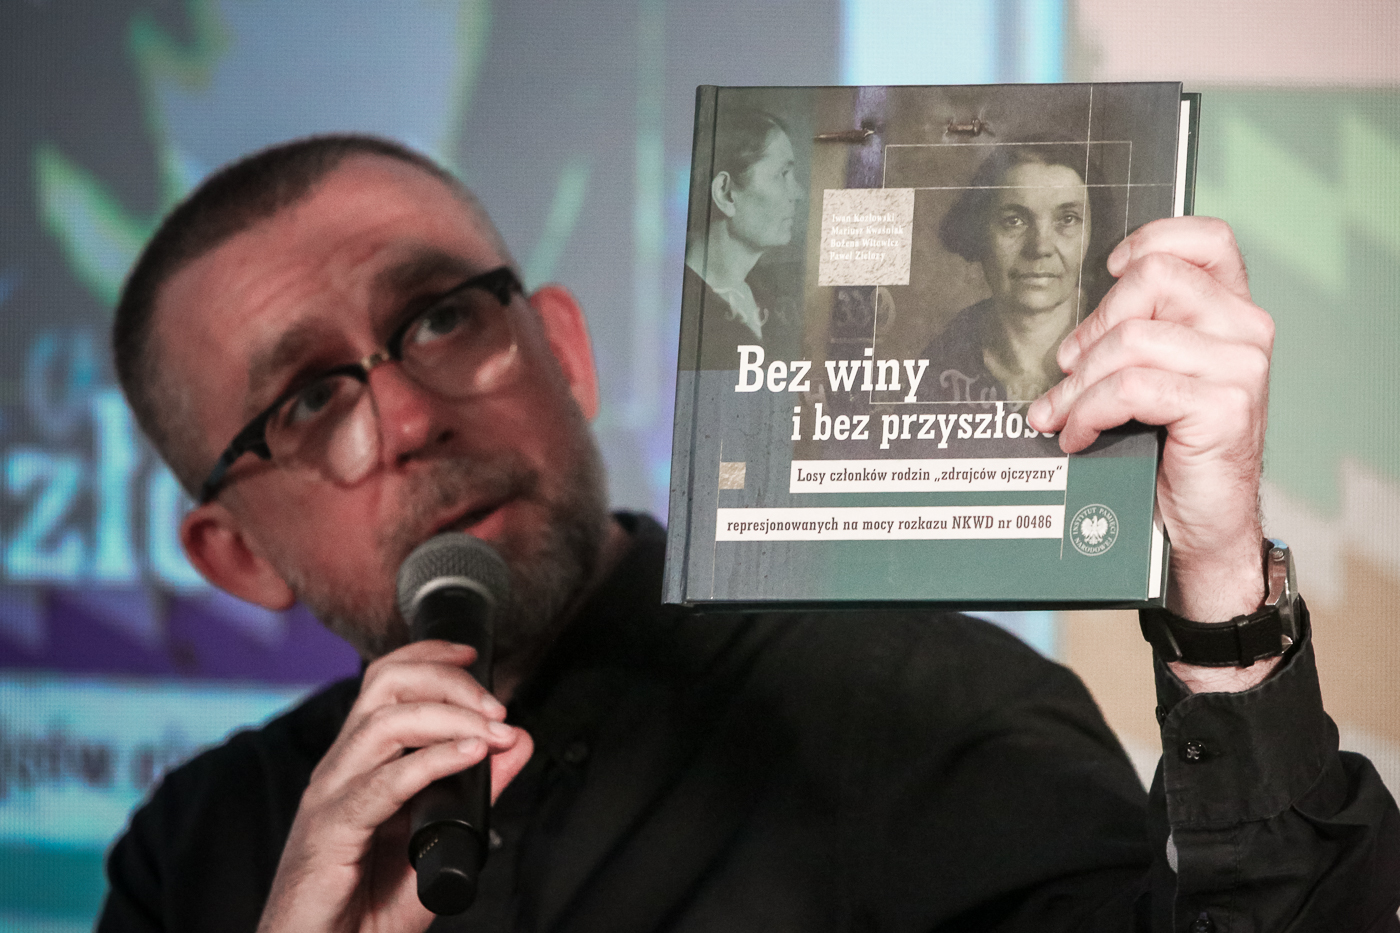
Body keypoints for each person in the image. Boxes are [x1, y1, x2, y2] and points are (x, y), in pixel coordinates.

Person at [97, 134, 1399, 932]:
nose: (407, 416)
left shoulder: (916, 706)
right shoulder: (196, 852)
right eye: (308, 400)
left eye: (442, 318)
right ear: (234, 554)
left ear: (562, 351)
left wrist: (1221, 591)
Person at [922, 141, 1115, 405]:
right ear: (979, 232)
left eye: (1067, 219)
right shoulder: (944, 358)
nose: (1040, 247)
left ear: (1092, 231)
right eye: (1014, 221)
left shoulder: (1120, 335)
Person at [684, 107, 803, 361]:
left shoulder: (771, 298)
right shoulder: (679, 314)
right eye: (783, 174)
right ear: (725, 193)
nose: (798, 193)